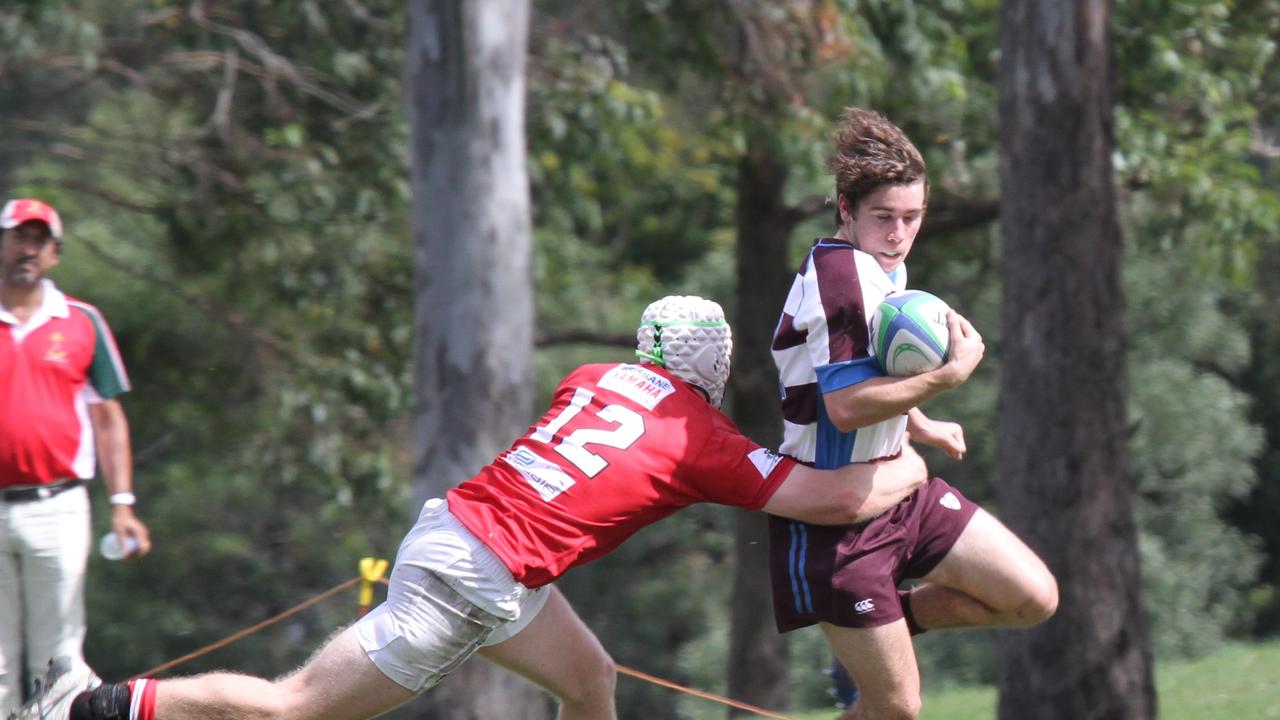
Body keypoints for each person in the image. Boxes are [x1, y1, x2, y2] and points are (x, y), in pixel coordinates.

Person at [49, 295, 932, 720]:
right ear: (713, 360)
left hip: (472, 544)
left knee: (590, 682)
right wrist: (911, 459)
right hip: (474, 577)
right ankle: (114, 709)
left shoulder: (594, 377)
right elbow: (831, 500)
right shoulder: (699, 437)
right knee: (297, 709)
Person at [769, 109, 1059, 720]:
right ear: (845, 209)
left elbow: (867, 377)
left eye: (912, 217)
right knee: (897, 711)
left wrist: (918, 423)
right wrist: (947, 379)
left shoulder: (886, 266)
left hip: (898, 492)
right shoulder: (842, 276)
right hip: (835, 520)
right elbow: (845, 408)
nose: (899, 233)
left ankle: (878, 636)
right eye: (884, 217)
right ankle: (865, 659)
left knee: (1032, 598)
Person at [0, 199, 153, 716]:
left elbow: (109, 419)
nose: (28, 249)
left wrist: (124, 504)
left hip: (57, 505)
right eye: (19, 236)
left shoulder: (82, 321)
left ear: (55, 254)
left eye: (39, 241)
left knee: (58, 659)